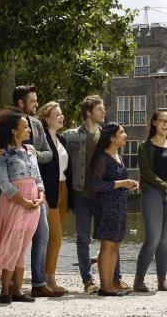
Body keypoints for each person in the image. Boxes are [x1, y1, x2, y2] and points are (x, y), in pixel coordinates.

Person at [0, 86, 61, 298]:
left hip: (35, 193)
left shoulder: (36, 127)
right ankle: (9, 288)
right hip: (16, 196)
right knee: (14, 241)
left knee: (41, 235)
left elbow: (49, 154)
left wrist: (29, 152)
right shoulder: (6, 139)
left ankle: (35, 283)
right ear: (21, 103)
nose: (36, 104)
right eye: (33, 101)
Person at [61, 95, 128, 293]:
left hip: (103, 196)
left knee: (111, 237)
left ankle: (115, 278)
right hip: (81, 193)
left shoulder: (106, 135)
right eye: (100, 109)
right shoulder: (71, 135)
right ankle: (88, 280)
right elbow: (51, 146)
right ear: (89, 112)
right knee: (83, 238)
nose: (103, 112)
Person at [0, 108, 44, 304]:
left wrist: (40, 197)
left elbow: (38, 178)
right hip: (14, 202)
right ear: (14, 131)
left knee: (22, 247)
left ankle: (18, 291)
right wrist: (23, 201)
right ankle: (5, 290)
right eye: (25, 127)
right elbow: (4, 184)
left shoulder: (30, 151)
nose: (29, 131)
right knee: (11, 245)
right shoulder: (1, 153)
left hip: (34, 203)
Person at [133, 108, 167, 292]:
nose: (165, 124)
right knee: (153, 238)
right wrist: (166, 187)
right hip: (152, 193)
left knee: (165, 239)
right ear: (154, 123)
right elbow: (147, 173)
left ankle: (162, 280)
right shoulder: (144, 147)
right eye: (162, 120)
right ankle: (139, 280)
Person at [90, 122, 139, 296]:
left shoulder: (118, 156)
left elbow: (117, 182)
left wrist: (129, 184)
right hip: (106, 207)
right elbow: (95, 184)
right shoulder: (102, 157)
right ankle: (105, 287)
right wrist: (121, 183)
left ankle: (110, 284)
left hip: (119, 206)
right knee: (107, 245)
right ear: (112, 137)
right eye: (122, 132)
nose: (125, 134)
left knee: (115, 245)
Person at [36, 100, 72, 294]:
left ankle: (47, 276)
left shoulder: (62, 140)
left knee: (56, 237)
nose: (61, 117)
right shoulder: (42, 141)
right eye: (57, 114)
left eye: (61, 113)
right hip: (48, 191)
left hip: (63, 189)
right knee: (55, 236)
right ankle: (48, 278)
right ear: (47, 119)